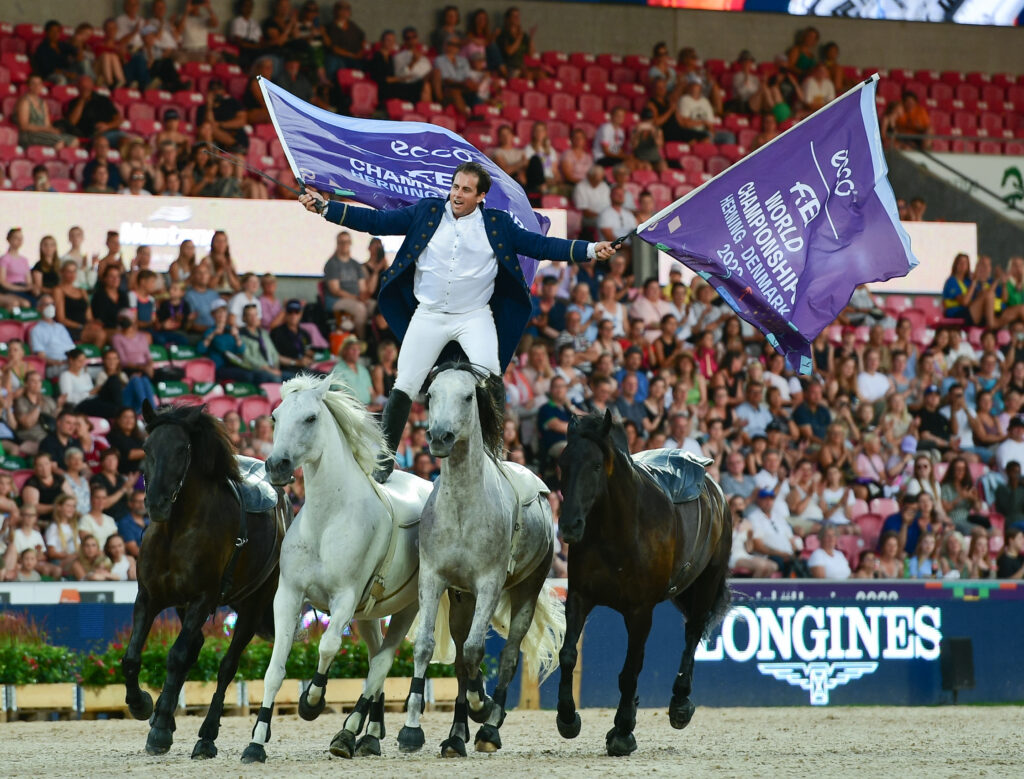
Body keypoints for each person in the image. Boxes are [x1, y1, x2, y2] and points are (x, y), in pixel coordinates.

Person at [299, 160, 614, 481]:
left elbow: (542, 245)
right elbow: (377, 221)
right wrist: (326, 209)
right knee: (404, 383)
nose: (457, 194)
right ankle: (383, 459)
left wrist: (590, 249)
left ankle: (492, 457)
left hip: (474, 317)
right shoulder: (427, 211)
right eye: (455, 187)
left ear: (481, 196)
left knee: (491, 376)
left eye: (465, 189)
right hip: (429, 315)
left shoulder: (498, 223)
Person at [323, 232, 373, 338]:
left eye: (347, 242)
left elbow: (362, 287)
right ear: (337, 244)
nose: (344, 244)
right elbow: (335, 290)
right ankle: (360, 343)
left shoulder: (356, 264)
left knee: (375, 306)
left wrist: (363, 297)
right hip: (336, 301)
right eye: (341, 242)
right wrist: (356, 298)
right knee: (360, 309)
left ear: (350, 243)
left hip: (356, 299)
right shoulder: (332, 264)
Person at [747, 488, 804, 577]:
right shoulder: (753, 518)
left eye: (771, 499)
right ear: (758, 500)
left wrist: (796, 553)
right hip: (769, 556)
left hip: (787, 555)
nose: (768, 502)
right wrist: (782, 554)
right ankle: (789, 589)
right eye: (765, 499)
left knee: (803, 562)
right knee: (789, 564)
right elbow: (758, 546)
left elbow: (791, 539)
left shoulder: (778, 517)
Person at [30, 294, 77, 378]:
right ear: (39, 308)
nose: (50, 307)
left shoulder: (61, 327)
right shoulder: (36, 330)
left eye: (52, 304)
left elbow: (72, 348)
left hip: (70, 362)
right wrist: (59, 363)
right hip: (54, 367)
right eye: (47, 304)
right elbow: (41, 357)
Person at [238, 304, 284, 384]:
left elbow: (274, 353)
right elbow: (247, 358)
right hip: (258, 370)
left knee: (295, 378)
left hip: (274, 369)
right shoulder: (241, 336)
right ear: (244, 318)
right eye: (250, 315)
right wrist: (267, 369)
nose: (253, 318)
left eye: (255, 315)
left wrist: (275, 368)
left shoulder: (263, 333)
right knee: (276, 380)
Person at [116, 489, 149, 558]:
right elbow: (134, 550)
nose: (142, 505)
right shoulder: (125, 523)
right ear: (130, 504)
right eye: (138, 502)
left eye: (144, 501)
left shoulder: (149, 521)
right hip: (139, 562)